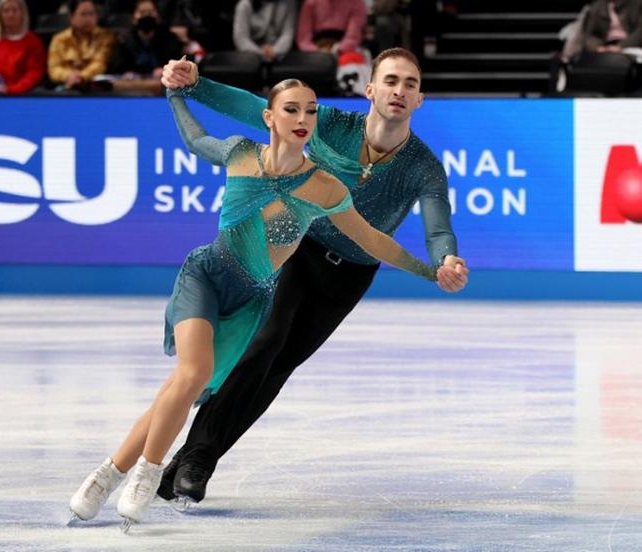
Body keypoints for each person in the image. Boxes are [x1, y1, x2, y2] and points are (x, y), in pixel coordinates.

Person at [68, 74, 441, 530]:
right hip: (205, 276)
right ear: (270, 117)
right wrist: (176, 94)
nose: (303, 119)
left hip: (251, 300)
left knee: (181, 388)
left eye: (310, 111)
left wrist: (430, 270)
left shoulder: (325, 188)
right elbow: (195, 138)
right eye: (291, 110)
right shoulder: (242, 154)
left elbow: (374, 241)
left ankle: (107, 474)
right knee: (192, 374)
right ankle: (146, 474)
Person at [158, 47, 469, 504]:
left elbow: (438, 226)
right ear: (371, 89)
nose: (399, 91)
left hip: (349, 278)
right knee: (264, 345)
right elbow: (252, 107)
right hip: (298, 250)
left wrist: (446, 260)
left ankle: (192, 458)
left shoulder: (423, 166)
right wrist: (194, 85)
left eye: (410, 84)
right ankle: (199, 460)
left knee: (278, 369)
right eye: (390, 81)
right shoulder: (332, 124)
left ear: (420, 98)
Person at [0, 0, 45, 95]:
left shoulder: (34, 41)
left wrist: (11, 89)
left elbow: (34, 74)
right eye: (6, 11)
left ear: (23, 14)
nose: (10, 15)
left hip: (24, 92)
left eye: (15, 10)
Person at [47, 0, 116, 92]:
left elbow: (100, 63)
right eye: (83, 14)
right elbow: (54, 69)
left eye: (92, 14)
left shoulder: (106, 37)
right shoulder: (59, 39)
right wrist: (68, 76)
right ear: (72, 17)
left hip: (97, 88)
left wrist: (81, 77)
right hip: (66, 86)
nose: (88, 19)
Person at [110, 0, 182, 79]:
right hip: (133, 84)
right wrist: (127, 73)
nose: (147, 16)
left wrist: (165, 69)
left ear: (158, 16)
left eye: (150, 12)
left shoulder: (170, 39)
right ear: (134, 17)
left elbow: (176, 62)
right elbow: (118, 67)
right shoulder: (124, 40)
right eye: (142, 12)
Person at [232, 0, 297, 63]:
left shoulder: (289, 3)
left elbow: (287, 34)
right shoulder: (244, 4)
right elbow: (241, 39)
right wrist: (261, 53)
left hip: (279, 54)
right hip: (251, 55)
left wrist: (274, 51)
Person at [296, 0, 366, 54]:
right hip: (315, 49)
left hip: (346, 49)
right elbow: (304, 38)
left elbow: (354, 35)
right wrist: (316, 50)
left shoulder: (355, 2)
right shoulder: (311, 2)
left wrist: (339, 49)